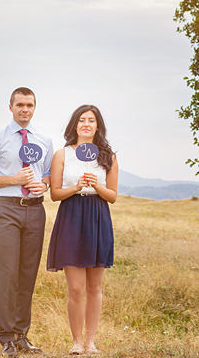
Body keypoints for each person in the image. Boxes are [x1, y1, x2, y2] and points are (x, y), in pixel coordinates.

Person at [0, 87, 54, 357]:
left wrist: (44, 183)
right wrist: (13, 180)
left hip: (35, 211)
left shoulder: (43, 140)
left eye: (30, 105)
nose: (25, 110)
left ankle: (22, 335)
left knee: (27, 274)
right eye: (20, 105)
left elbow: (51, 173)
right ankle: (6, 337)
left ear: (34, 107)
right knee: (7, 274)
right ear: (11, 107)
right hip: (6, 209)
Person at [47, 104, 118, 355]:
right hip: (71, 216)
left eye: (91, 120)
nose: (86, 124)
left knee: (94, 287)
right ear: (75, 125)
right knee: (76, 287)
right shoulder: (62, 154)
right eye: (81, 120)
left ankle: (90, 342)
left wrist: (96, 186)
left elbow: (113, 196)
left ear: (98, 126)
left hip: (98, 217)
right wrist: (75, 187)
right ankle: (76, 341)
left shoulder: (107, 156)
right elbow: (55, 194)